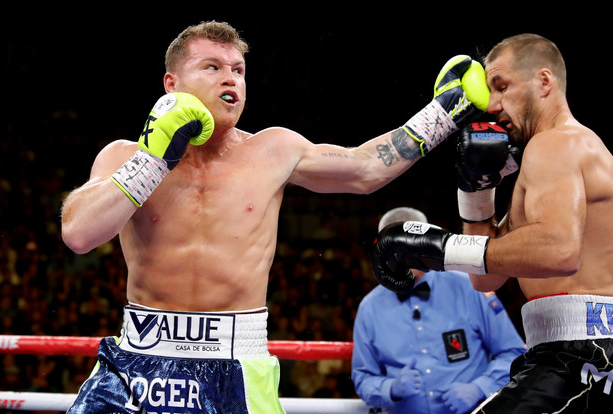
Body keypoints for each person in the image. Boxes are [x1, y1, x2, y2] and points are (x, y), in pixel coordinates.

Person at [59, 21, 490, 414]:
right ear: (171, 84)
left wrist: (443, 114)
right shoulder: (125, 156)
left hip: (234, 366)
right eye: (212, 67)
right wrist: (153, 160)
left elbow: (366, 169)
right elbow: (78, 233)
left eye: (238, 70)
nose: (231, 78)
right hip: (136, 361)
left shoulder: (273, 150)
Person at [371, 34, 613, 413]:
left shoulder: (554, 144)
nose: (491, 104)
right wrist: (476, 188)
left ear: (544, 82)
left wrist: (435, 249)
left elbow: (558, 251)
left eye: (502, 87)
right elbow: (485, 278)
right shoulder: (576, 151)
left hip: (580, 363)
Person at [352, 207, 526, 414]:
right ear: (383, 249)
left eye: (410, 245)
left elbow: (513, 353)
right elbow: (363, 378)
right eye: (396, 247)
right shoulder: (370, 308)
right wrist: (391, 388)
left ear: (425, 243)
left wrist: (480, 388)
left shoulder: (471, 287)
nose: (405, 256)